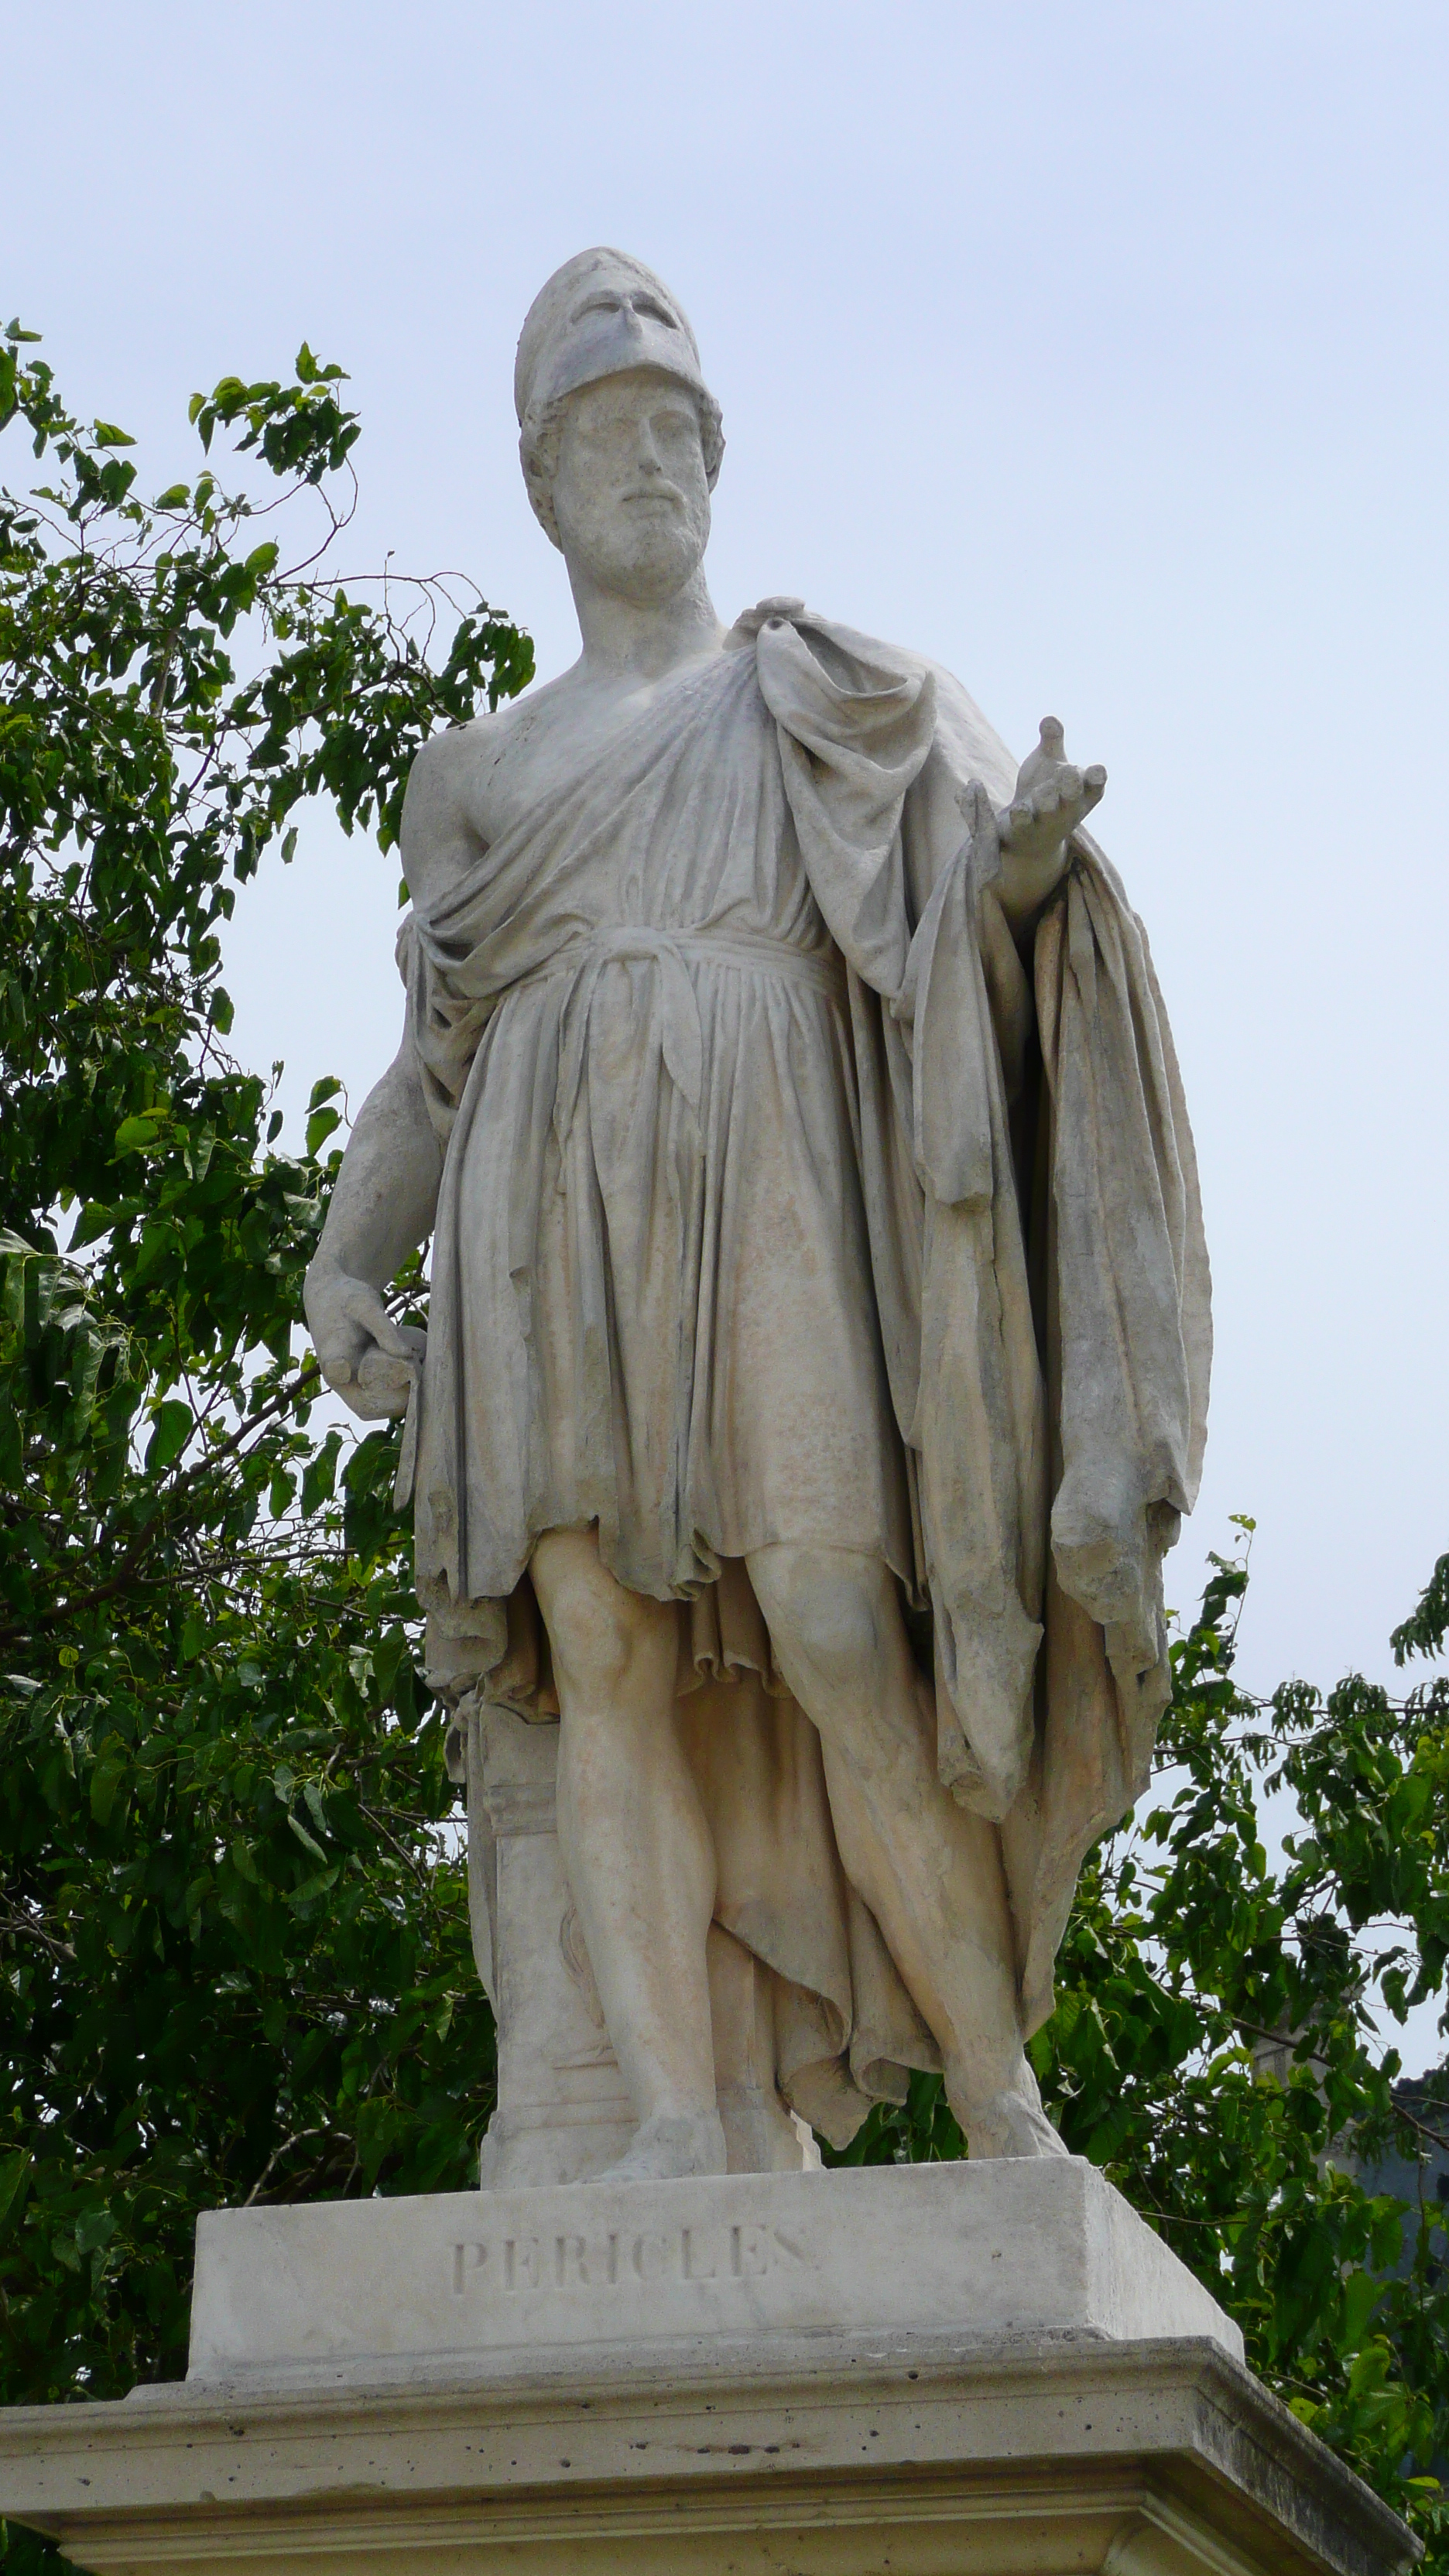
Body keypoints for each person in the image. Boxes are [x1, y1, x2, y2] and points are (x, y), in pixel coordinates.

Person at [304, 248, 1210, 2180]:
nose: (647, 464)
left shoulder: (829, 700)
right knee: (603, 1647)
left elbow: (964, 934)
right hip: (552, 1214)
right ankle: (664, 2117)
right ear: (541, 484)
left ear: (717, 462)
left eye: (673, 430)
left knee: (825, 1611)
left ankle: (998, 2090)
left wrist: (1031, 876)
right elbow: (430, 1064)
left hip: (774, 1188)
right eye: (605, 434)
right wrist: (344, 1258)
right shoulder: (473, 775)